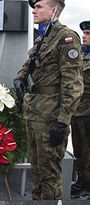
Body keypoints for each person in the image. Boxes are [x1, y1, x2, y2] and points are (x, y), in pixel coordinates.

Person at [15, 0, 83, 200]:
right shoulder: (44, 37)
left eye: (39, 7)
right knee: (37, 171)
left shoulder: (66, 38)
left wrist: (63, 122)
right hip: (35, 113)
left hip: (51, 117)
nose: (34, 11)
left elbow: (73, 85)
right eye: (34, 7)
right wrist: (20, 80)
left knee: (50, 175)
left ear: (54, 10)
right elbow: (30, 65)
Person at [70, 21, 90, 200]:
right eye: (84, 32)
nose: (84, 36)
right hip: (78, 112)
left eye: (88, 33)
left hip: (88, 113)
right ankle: (81, 181)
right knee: (79, 150)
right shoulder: (82, 55)